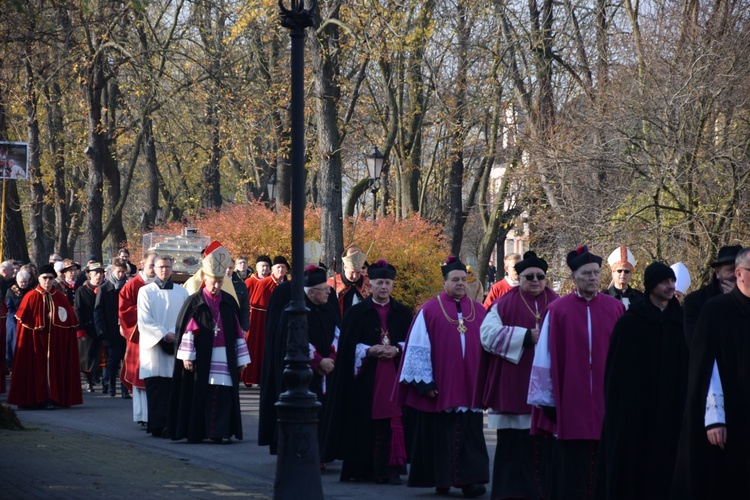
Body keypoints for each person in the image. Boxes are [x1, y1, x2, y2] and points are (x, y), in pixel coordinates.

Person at [527, 245, 624, 500]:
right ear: (574, 277)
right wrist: (547, 400)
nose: (592, 278)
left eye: (596, 273)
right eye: (586, 273)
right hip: (571, 396)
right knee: (572, 461)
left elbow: (625, 357)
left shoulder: (615, 309)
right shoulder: (558, 311)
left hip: (605, 396)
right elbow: (544, 357)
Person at [393, 255, 489, 498]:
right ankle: (442, 479)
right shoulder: (429, 309)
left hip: (471, 385)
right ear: (444, 282)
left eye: (463, 280)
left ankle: (471, 481)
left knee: (471, 434)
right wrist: (425, 384)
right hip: (441, 385)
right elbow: (417, 347)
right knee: (441, 436)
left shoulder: (478, 310)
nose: (460, 283)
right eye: (455, 280)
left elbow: (489, 347)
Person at [594, 262, 688, 500]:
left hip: (673, 413)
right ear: (650, 286)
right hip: (638, 415)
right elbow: (617, 374)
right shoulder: (631, 322)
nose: (670, 286)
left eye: (672, 281)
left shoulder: (682, 321)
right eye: (664, 281)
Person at [474, 251, 560, 500]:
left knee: (545, 446)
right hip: (513, 384)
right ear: (519, 277)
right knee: (513, 446)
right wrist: (524, 336)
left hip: (548, 387)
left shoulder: (557, 303)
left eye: (540, 276)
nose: (535, 281)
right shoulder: (505, 304)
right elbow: (486, 336)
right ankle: (508, 493)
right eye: (529, 276)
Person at [324, 259, 413, 484]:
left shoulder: (403, 313)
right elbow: (346, 349)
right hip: (365, 378)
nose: (384, 287)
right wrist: (368, 350)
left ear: (392, 285)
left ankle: (390, 470)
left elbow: (412, 345)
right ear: (370, 285)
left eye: (387, 283)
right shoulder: (356, 313)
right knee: (363, 421)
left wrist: (397, 349)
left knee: (392, 421)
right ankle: (361, 468)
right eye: (379, 283)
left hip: (393, 376)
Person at [670, 247, 750, 499]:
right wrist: (715, 417)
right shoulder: (713, 309)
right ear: (739, 273)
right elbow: (706, 364)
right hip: (728, 412)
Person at [167, 242, 251, 443]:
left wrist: (241, 359)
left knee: (222, 393)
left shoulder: (229, 301)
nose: (216, 286)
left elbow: (237, 331)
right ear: (205, 279)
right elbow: (187, 329)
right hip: (201, 356)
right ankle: (198, 431)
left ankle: (219, 432)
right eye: (213, 282)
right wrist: (187, 356)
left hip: (224, 353)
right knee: (200, 392)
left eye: (220, 282)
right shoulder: (195, 302)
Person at [258, 264, 340, 456]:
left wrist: (331, 358)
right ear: (311, 292)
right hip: (304, 375)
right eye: (324, 288)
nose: (329, 291)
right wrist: (318, 361)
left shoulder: (329, 309)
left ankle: (323, 452)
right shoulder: (294, 310)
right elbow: (295, 340)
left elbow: (338, 333)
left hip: (328, 371)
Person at [7, 264, 82, 409]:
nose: (47, 281)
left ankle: (54, 397)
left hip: (55, 342)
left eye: (50, 278)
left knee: (54, 369)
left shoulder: (60, 297)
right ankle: (34, 399)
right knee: (35, 369)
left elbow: (69, 321)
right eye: (44, 278)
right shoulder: (30, 296)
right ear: (39, 279)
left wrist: (55, 319)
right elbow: (25, 324)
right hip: (35, 342)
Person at [137, 255, 189, 437]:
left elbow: (186, 317)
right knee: (156, 388)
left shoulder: (182, 292)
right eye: (160, 267)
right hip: (153, 347)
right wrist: (163, 334)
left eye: (167, 267)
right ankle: (157, 425)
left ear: (172, 269)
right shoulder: (145, 291)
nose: (164, 270)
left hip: (176, 342)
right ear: (154, 269)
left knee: (172, 388)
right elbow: (144, 320)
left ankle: (171, 425)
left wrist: (175, 334)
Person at [119, 253, 157, 428]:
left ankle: (157, 414)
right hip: (139, 339)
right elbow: (124, 310)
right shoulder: (132, 285)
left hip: (158, 339)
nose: (154, 268)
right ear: (142, 264)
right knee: (141, 378)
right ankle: (143, 415)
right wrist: (146, 311)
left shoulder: (161, 285)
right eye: (151, 264)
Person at [242, 255, 289, 387]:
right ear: (273, 269)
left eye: (283, 267)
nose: (280, 270)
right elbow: (257, 306)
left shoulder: (287, 284)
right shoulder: (263, 283)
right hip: (263, 324)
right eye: (278, 267)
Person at [683, 244, 742, 348]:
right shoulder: (695, 301)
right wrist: (728, 303)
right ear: (718, 273)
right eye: (731, 270)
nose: (737, 275)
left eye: (741, 270)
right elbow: (695, 342)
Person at [94, 258, 130, 398]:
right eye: (118, 271)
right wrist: (101, 330)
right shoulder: (104, 288)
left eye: (123, 272)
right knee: (113, 359)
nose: (120, 275)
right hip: (110, 330)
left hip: (125, 330)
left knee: (125, 359)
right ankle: (111, 384)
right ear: (112, 272)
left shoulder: (127, 287)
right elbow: (98, 310)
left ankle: (125, 388)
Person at [74, 262, 105, 393]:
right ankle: (88, 380)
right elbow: (78, 310)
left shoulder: (105, 289)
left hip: (102, 328)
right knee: (86, 356)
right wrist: (80, 329)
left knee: (100, 355)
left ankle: (98, 376)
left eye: (100, 273)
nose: (98, 276)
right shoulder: (82, 290)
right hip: (87, 328)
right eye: (95, 273)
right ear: (89, 275)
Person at [328, 245, 371, 316]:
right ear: (345, 267)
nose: (355, 276)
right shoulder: (332, 283)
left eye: (358, 272)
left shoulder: (369, 283)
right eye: (352, 272)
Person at [6, 269, 32, 373]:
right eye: (21, 282)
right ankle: (12, 364)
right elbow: (9, 307)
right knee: (14, 342)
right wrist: (18, 317)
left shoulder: (30, 290)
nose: (23, 284)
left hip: (28, 320)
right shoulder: (11, 291)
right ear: (17, 280)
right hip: (14, 319)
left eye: (25, 281)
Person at [604, 245, 644, 310]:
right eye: (619, 271)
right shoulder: (604, 296)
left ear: (631, 274)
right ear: (613, 273)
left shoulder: (640, 297)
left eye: (626, 271)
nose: (623, 274)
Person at [226, 258, 250, 332]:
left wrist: (244, 328)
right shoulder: (215, 284)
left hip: (235, 322)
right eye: (225, 267)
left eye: (230, 268)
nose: (227, 270)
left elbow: (245, 308)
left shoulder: (240, 285)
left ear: (234, 268)